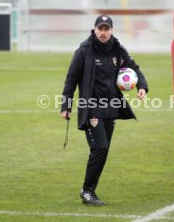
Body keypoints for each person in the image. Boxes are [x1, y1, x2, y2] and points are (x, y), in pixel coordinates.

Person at [60, 15, 148, 205]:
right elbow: (71, 79)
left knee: (102, 150)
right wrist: (65, 105)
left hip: (111, 108)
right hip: (91, 107)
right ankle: (87, 191)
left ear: (112, 30)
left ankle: (89, 190)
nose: (103, 32)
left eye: (106, 29)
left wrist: (142, 85)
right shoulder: (84, 51)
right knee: (100, 147)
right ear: (94, 30)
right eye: (100, 28)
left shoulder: (118, 49)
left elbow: (134, 68)